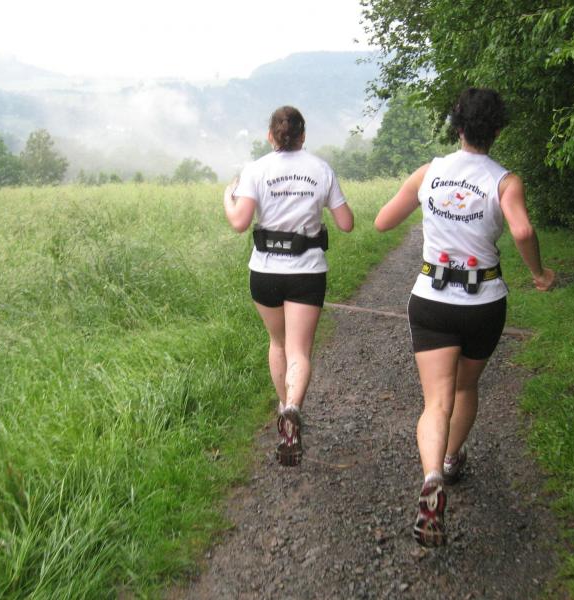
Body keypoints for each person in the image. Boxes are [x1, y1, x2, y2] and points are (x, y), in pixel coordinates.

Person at [373, 88, 555, 546]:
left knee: (436, 401)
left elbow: (382, 222)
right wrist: (539, 273)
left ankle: (431, 475)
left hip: (431, 300)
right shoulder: (505, 182)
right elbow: (523, 230)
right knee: (465, 387)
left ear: (456, 126)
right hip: (482, 301)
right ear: (498, 130)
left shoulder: (428, 173)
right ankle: (452, 460)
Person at [223, 106, 354, 467]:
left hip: (265, 271)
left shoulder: (255, 170)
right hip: (306, 272)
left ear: (271, 136)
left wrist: (227, 198)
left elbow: (239, 222)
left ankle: (284, 409)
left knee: (278, 342)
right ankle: (294, 407)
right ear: (303, 135)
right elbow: (346, 223)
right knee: (299, 351)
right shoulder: (321, 169)